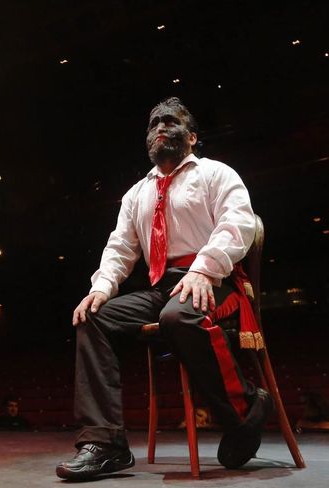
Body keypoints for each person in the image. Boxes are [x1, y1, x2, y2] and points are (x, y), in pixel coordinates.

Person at [56, 97, 273, 481]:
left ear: (191, 137)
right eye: (154, 123)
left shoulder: (215, 173)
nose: (160, 127)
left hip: (216, 281)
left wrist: (204, 270)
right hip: (164, 287)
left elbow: (237, 224)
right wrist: (102, 288)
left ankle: (245, 410)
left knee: (179, 315)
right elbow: (121, 248)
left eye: (170, 122)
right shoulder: (137, 193)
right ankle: (106, 444)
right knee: (93, 318)